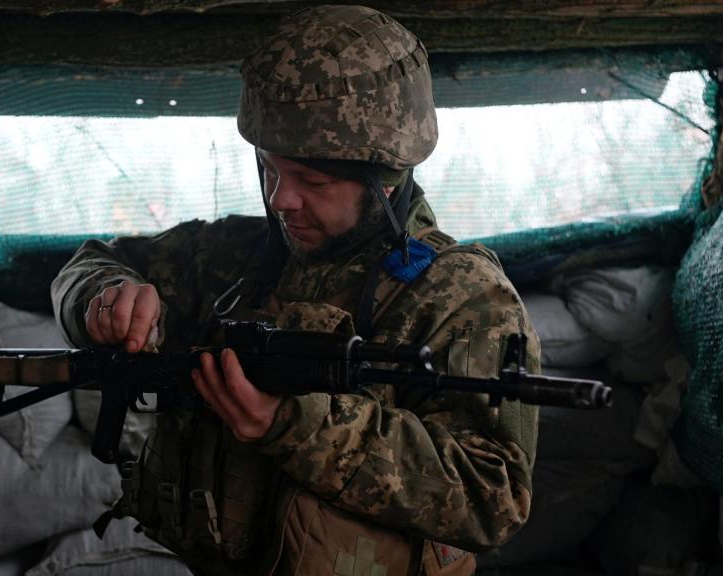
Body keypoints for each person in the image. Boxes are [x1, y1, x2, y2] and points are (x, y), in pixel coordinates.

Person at [52, 5, 540, 575]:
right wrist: (105, 298)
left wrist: (294, 424)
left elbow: (494, 497)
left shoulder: (462, 297)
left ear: (386, 179)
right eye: (269, 170)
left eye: (313, 180)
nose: (281, 199)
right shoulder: (236, 257)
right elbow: (96, 261)